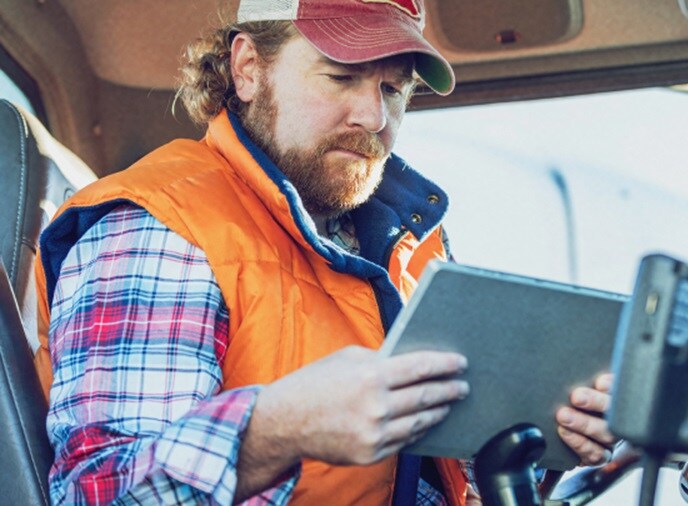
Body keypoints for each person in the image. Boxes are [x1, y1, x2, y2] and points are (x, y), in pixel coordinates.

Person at [32, 0, 616, 504]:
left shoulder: (412, 245)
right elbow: (99, 490)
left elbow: (441, 473)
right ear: (248, 68)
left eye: (393, 89)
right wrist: (279, 430)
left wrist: (539, 446)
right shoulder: (159, 226)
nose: (374, 117)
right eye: (341, 77)